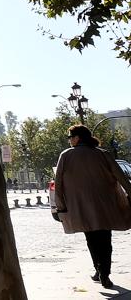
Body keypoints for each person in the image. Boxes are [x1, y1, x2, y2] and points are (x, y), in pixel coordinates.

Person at [53, 124, 131, 289]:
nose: (69, 140)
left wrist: (59, 206)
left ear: (78, 138)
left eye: (70, 137)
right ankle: (105, 274)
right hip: (105, 205)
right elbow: (121, 177)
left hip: (80, 207)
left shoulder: (66, 155)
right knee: (105, 239)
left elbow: (58, 183)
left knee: (91, 239)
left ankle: (99, 270)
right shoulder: (104, 155)